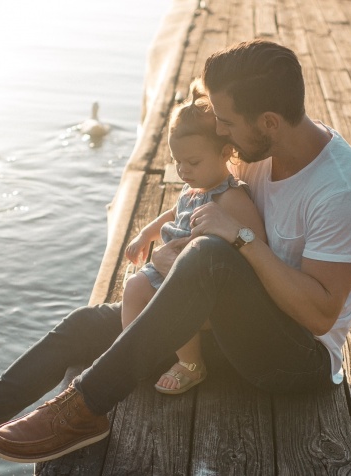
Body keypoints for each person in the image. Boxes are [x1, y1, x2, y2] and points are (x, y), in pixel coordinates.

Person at [0, 39, 351, 469]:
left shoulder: (343, 192)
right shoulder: (258, 155)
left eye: (226, 121)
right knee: (85, 325)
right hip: (229, 329)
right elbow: (207, 203)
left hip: (294, 360)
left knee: (209, 256)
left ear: (268, 121)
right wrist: (165, 236)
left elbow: (319, 316)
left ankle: (84, 408)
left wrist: (238, 241)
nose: (219, 131)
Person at [122, 79, 266, 394]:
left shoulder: (230, 198)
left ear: (226, 152)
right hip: (169, 264)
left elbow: (256, 244)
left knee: (175, 305)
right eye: (178, 163)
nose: (184, 171)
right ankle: (134, 355)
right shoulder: (194, 188)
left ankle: (191, 363)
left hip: (198, 281)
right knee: (133, 287)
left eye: (193, 162)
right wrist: (146, 234)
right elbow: (174, 213)